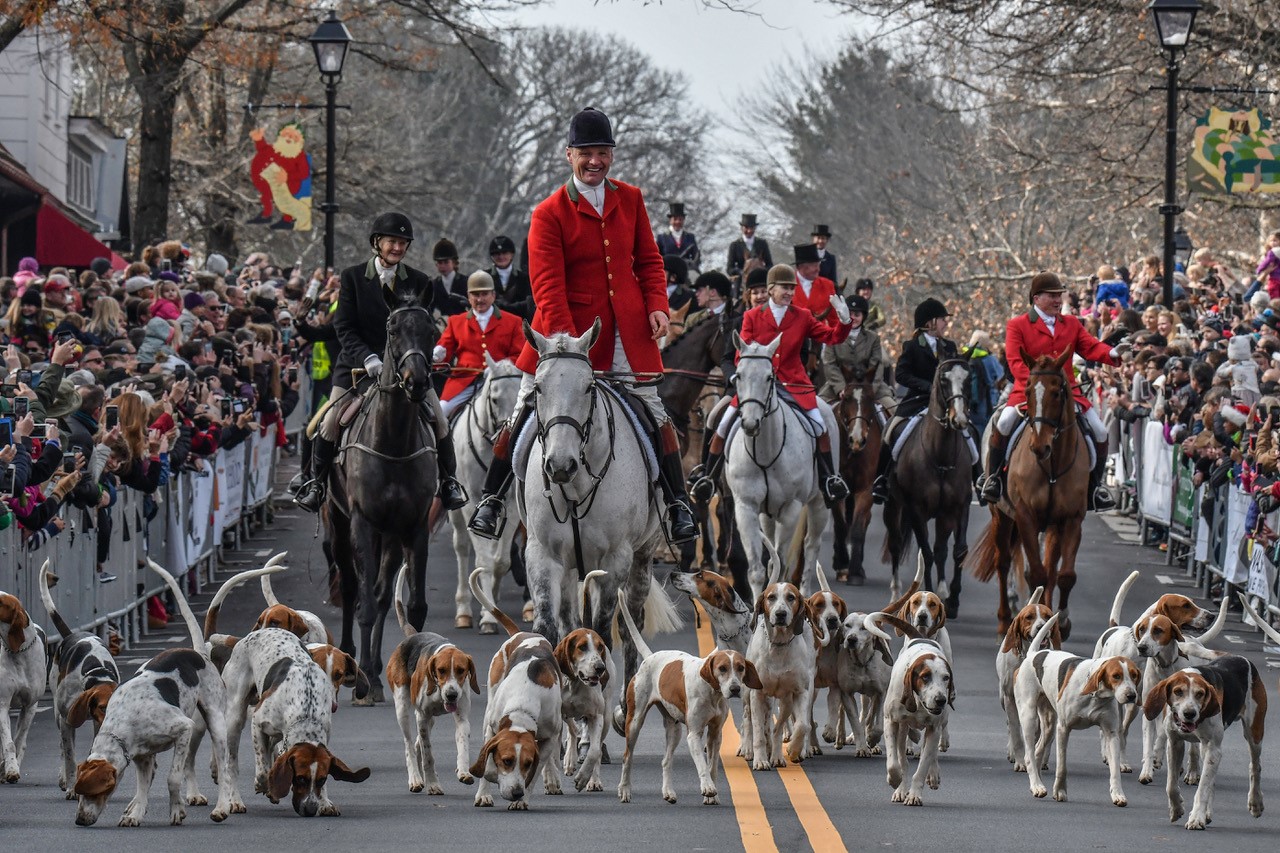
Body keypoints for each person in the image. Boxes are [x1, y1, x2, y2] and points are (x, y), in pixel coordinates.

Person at [467, 107, 697, 544]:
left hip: (627, 334)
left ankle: (676, 505)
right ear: (568, 154)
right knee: (521, 413)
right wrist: (569, 345)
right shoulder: (548, 213)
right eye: (587, 153)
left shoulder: (630, 197)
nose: (596, 162)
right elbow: (547, 285)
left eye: (603, 153)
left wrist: (658, 305)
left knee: (654, 411)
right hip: (562, 337)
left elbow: (649, 261)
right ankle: (493, 500)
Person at [294, 212, 467, 513]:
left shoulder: (418, 280)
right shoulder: (352, 278)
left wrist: (430, 353)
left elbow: (422, 328)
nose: (397, 248)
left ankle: (449, 482)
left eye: (402, 243)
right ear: (377, 243)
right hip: (357, 370)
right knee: (327, 423)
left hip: (405, 370)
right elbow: (344, 328)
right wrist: (369, 357)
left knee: (439, 420)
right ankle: (316, 484)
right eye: (392, 242)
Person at [689, 264, 853, 506]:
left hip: (793, 383)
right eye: (785, 288)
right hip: (755, 387)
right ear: (771, 289)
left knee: (820, 426)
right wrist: (741, 379)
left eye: (792, 288)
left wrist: (844, 320)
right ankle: (708, 478)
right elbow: (739, 355)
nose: (789, 292)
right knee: (721, 424)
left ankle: (829, 479)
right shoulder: (751, 317)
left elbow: (832, 337)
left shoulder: (803, 316)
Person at [976, 272, 1130, 511]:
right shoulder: (1017, 325)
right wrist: (1040, 385)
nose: (1058, 300)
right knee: (1004, 423)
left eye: (1060, 295)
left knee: (1100, 431)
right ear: (1036, 298)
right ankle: (993, 479)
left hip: (1066, 393)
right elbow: (1016, 362)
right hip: (1029, 392)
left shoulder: (1071, 323)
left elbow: (1089, 347)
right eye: (1052, 296)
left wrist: (1112, 353)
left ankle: (1095, 488)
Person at [871, 297, 959, 504]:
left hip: (946, 403)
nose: (946, 323)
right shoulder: (911, 346)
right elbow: (901, 374)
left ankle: (979, 477)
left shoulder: (950, 346)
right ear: (930, 322)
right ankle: (881, 478)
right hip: (918, 400)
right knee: (890, 430)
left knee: (967, 430)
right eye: (942, 319)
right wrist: (928, 387)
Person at [432, 271, 524, 418]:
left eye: (484, 294)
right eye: (475, 295)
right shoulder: (456, 322)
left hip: (502, 381)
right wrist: (438, 354)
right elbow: (445, 350)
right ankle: (441, 442)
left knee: (522, 412)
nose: (480, 299)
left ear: (493, 295)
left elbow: (519, 356)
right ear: (469, 297)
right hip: (465, 382)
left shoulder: (513, 322)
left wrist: (498, 368)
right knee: (441, 411)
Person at [818, 294, 896, 421]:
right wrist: (841, 388)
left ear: (863, 317)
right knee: (816, 410)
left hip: (869, 384)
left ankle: (891, 440)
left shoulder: (873, 338)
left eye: (857, 315)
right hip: (839, 384)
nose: (853, 318)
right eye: (850, 314)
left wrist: (870, 390)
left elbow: (877, 365)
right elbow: (830, 365)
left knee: (894, 410)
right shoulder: (832, 335)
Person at [488, 234, 534, 319]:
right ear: (492, 256)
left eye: (505, 253)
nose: (501, 257)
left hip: (519, 323)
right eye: (496, 254)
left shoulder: (525, 279)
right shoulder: (485, 277)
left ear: (512, 254)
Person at [791, 243, 837, 316]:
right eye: (814, 266)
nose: (818, 269)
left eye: (818, 265)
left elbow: (834, 318)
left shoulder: (828, 285)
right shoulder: (788, 285)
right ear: (801, 267)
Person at [655, 202, 701, 272]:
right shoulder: (662, 238)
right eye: (675, 219)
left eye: (680, 219)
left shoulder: (690, 237)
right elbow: (657, 257)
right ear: (671, 220)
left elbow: (696, 257)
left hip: (686, 271)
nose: (678, 222)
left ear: (683, 220)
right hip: (667, 272)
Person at [726, 213, 773, 278]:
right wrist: (741, 272)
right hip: (742, 279)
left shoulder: (762, 243)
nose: (749, 230)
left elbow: (770, 264)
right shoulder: (735, 245)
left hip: (760, 278)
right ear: (741, 228)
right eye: (746, 227)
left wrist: (762, 270)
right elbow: (729, 269)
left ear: (755, 228)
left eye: (752, 228)